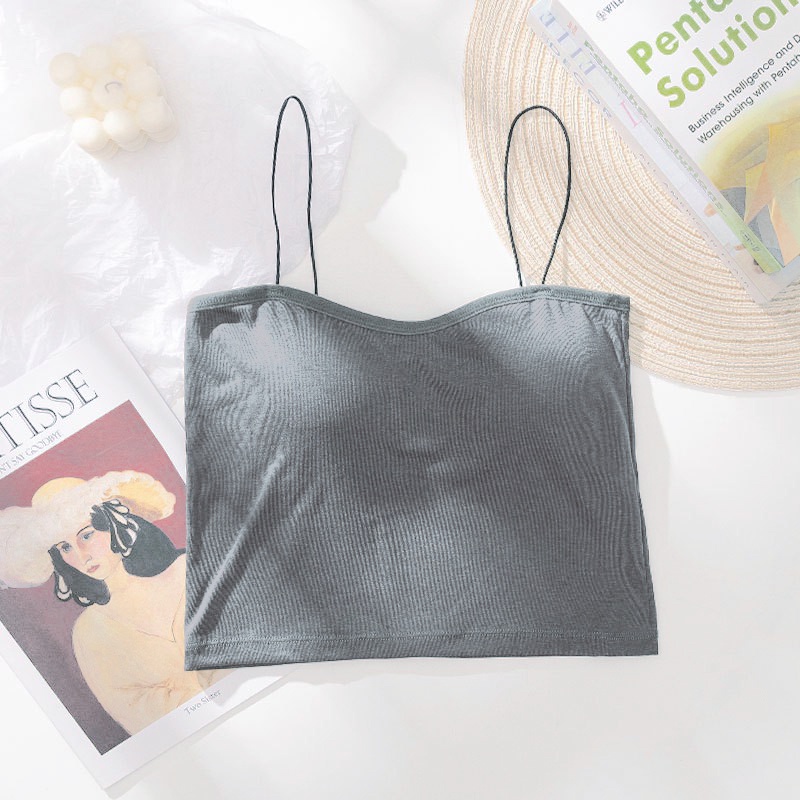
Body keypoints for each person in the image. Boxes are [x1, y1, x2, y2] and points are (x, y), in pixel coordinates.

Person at [0, 471, 227, 735]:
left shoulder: (188, 571)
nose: (81, 556)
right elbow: (138, 716)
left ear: (114, 524)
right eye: (65, 548)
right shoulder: (89, 633)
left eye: (86, 535)